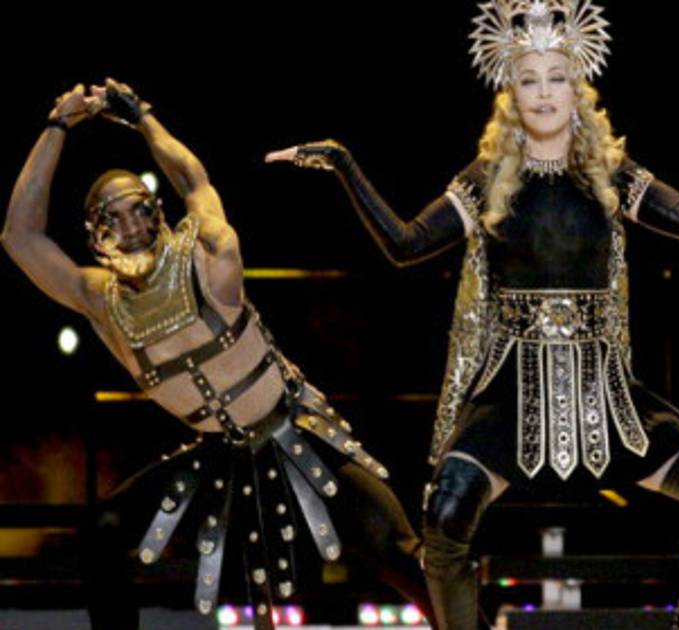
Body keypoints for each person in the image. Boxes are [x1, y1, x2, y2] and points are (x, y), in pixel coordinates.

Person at [266, 2, 679, 628]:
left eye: (556, 77)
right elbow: (405, 244)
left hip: (608, 400)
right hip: (510, 396)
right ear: (511, 94)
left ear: (576, 89)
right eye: (529, 79)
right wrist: (342, 162)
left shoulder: (609, 173)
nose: (543, 92)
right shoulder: (487, 178)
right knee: (445, 515)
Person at [2, 80, 432, 630]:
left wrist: (143, 118)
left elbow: (193, 181)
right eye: (114, 220)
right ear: (96, 236)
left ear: (156, 214)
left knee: (394, 551)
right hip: (219, 455)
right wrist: (58, 125)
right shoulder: (101, 301)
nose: (131, 229)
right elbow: (20, 236)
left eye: (138, 212)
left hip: (294, 431)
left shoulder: (206, 258)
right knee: (104, 531)